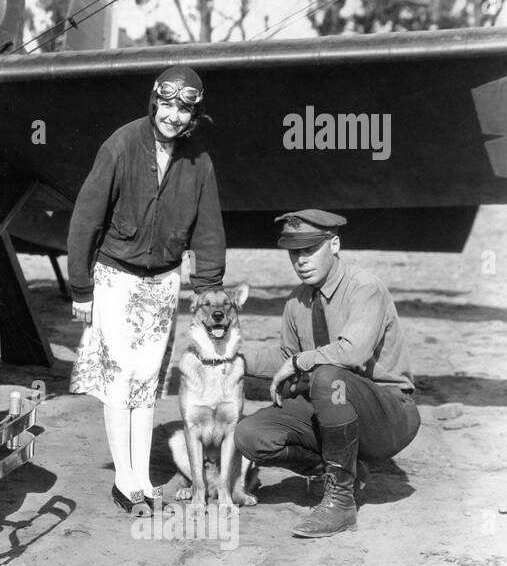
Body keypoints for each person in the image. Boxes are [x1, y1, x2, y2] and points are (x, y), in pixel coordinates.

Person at [67, 65, 226, 517]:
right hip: (115, 277)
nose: (173, 116)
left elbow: (209, 230)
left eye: (185, 108)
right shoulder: (120, 144)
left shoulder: (199, 161)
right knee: (120, 377)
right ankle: (124, 479)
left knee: (147, 379)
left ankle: (143, 477)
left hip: (163, 283)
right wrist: (81, 289)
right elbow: (86, 218)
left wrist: (209, 288)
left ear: (194, 114)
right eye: (168, 104)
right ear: (155, 100)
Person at [234, 210, 420, 537]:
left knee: (327, 376)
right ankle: (344, 470)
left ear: (334, 244)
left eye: (310, 249)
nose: (301, 260)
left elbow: (352, 351)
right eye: (295, 252)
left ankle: (341, 503)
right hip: (330, 406)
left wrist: (298, 364)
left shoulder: (365, 288)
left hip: (388, 414)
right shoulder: (297, 301)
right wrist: (231, 358)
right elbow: (286, 356)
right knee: (250, 435)